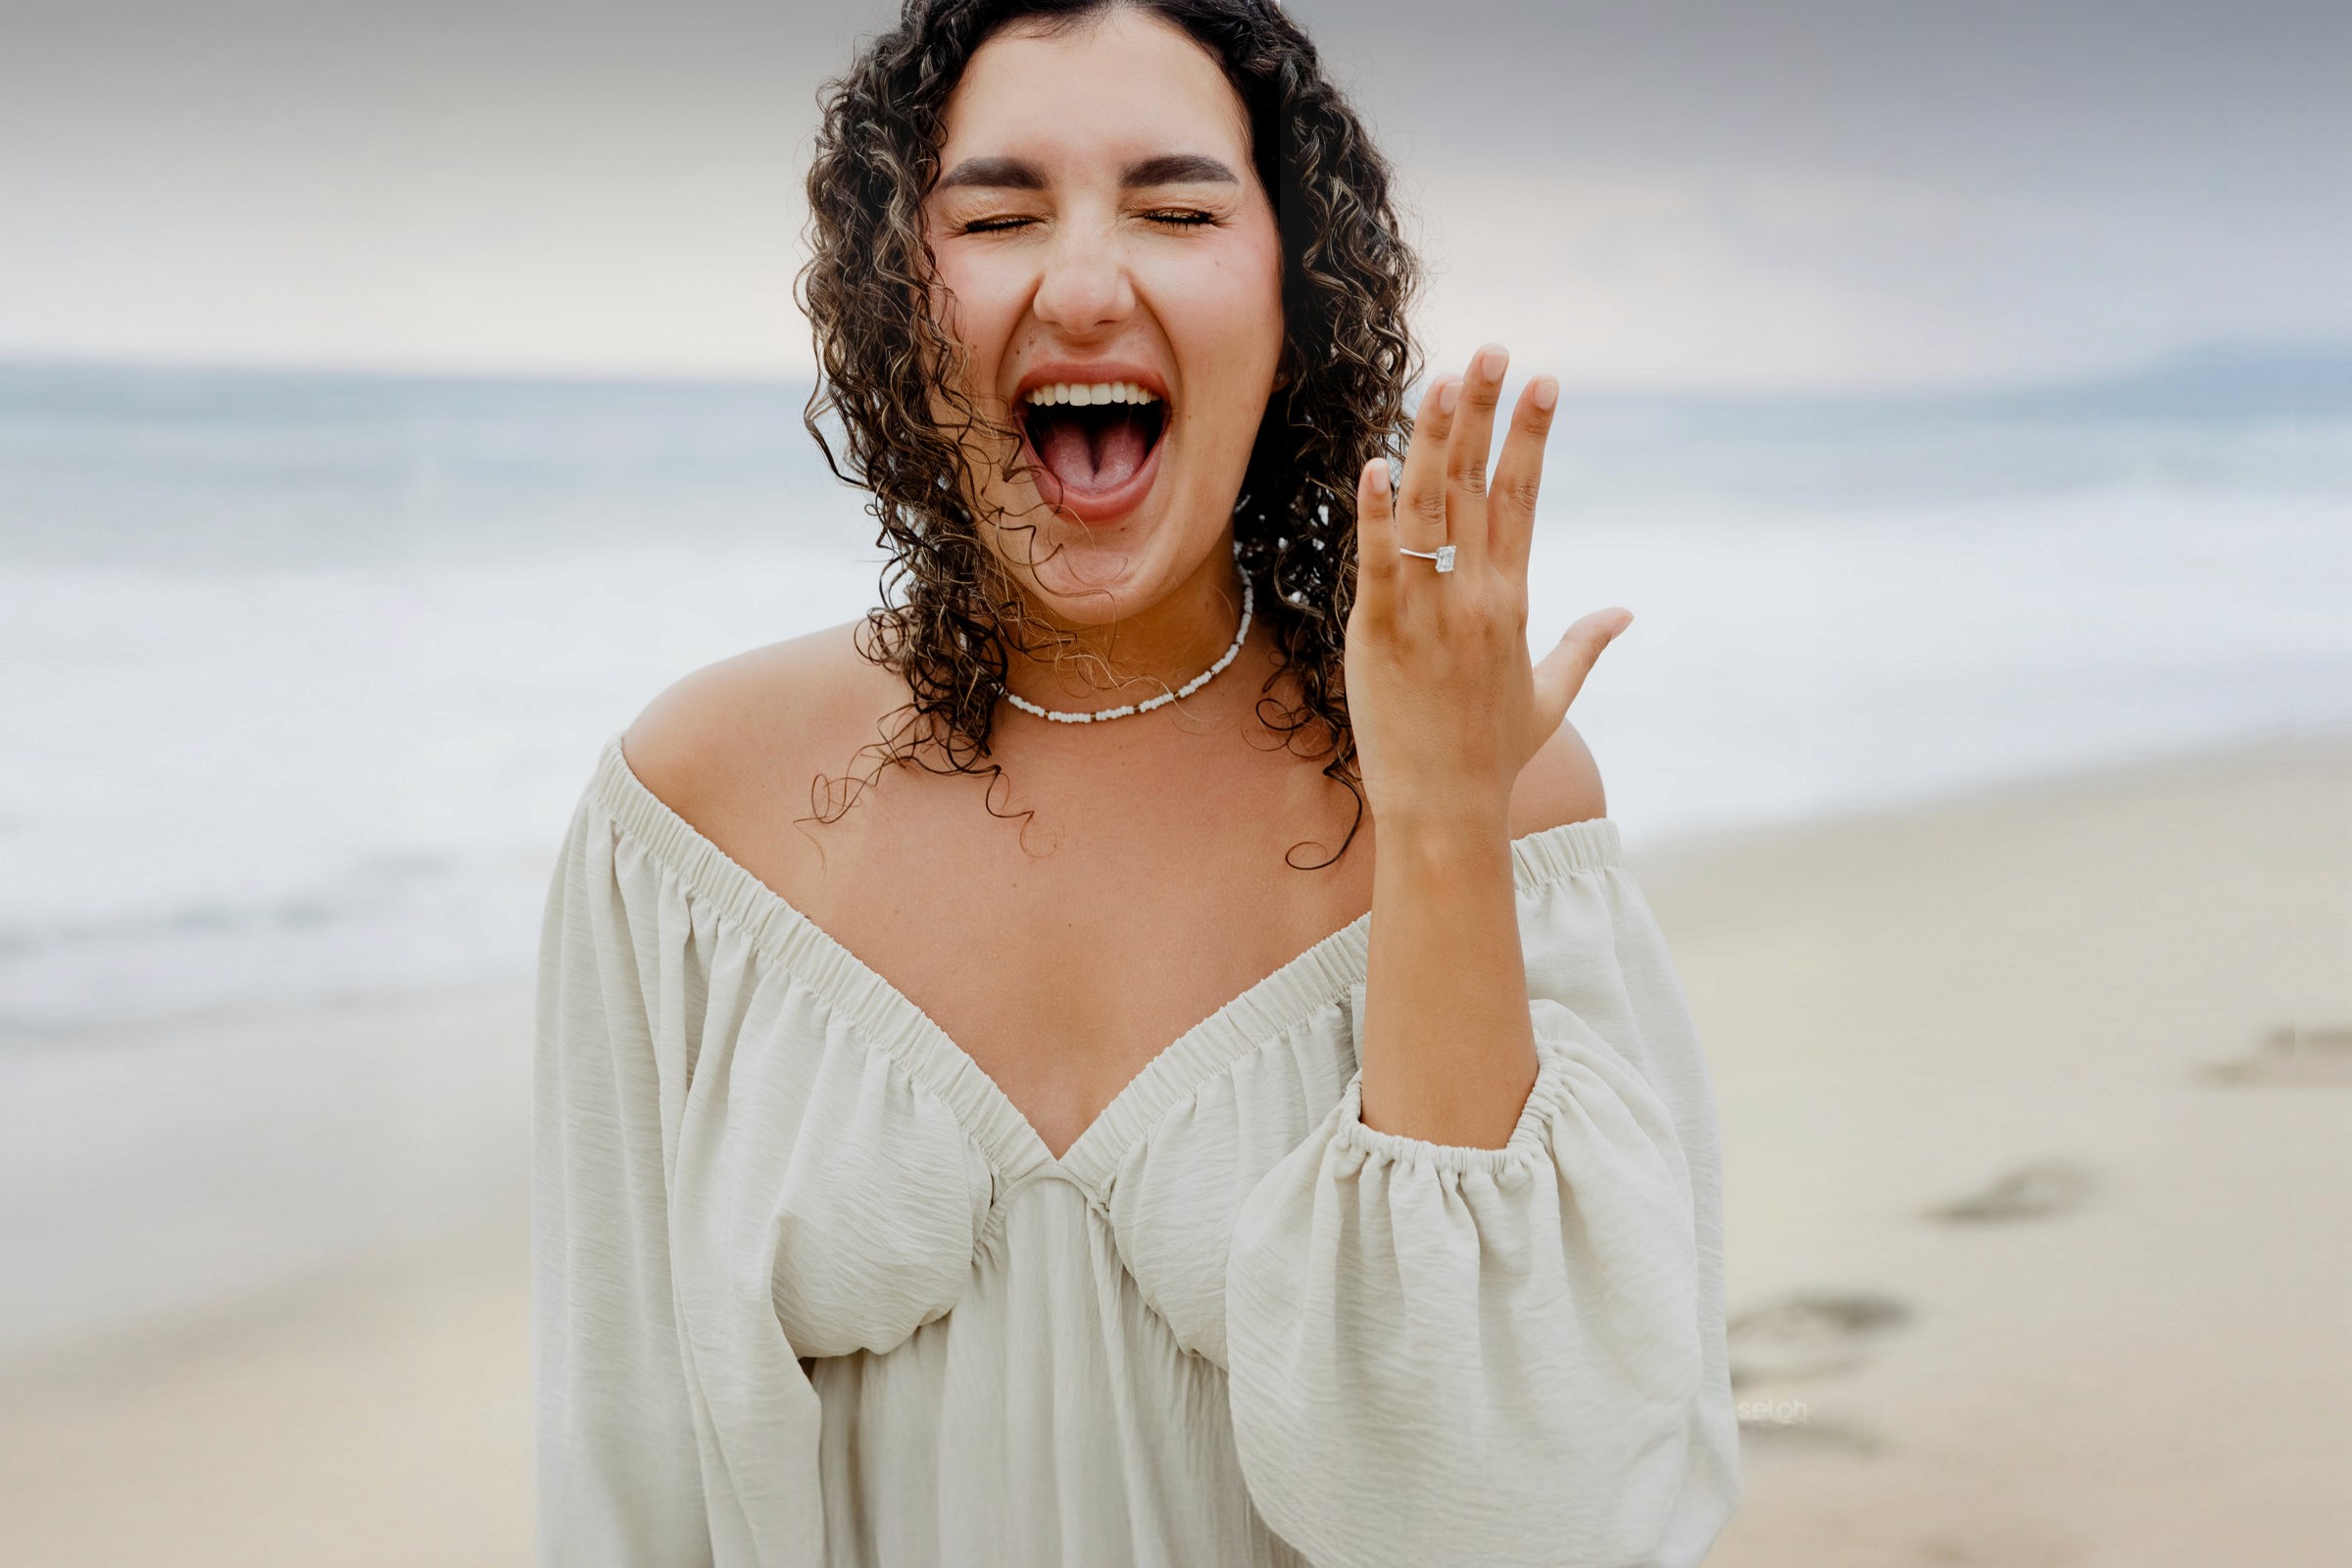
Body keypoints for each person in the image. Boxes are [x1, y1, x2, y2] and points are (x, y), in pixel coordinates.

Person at [532, 1, 1740, 1562]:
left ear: (1296, 297)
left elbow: (1527, 1513)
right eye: (996, 212)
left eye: (1178, 211)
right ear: (895, 294)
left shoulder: (1505, 799)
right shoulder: (693, 815)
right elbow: (624, 1482)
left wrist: (1442, 828)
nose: (1087, 282)